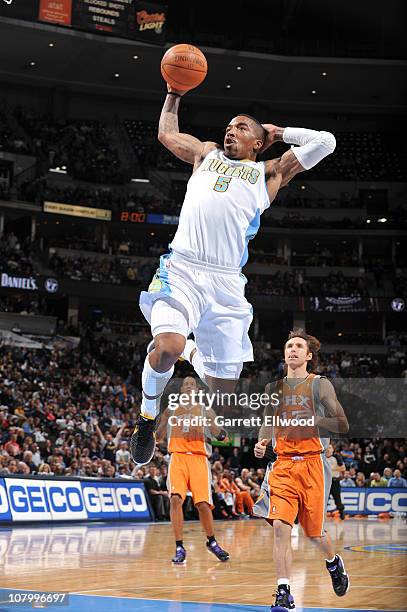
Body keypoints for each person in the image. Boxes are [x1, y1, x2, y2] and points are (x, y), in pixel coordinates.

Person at [130, 83, 337, 466]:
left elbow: (326, 142)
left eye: (242, 127)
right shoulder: (206, 154)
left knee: (222, 397)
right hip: (183, 268)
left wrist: (282, 133)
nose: (231, 130)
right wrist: (174, 92)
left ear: (259, 142)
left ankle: (194, 352)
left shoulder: (270, 173)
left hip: (226, 283)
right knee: (167, 348)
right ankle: (145, 416)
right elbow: (166, 133)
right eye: (230, 125)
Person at [253, 328, 350, 611]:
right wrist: (261, 444)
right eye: (288, 346)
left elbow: (342, 425)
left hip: (313, 465)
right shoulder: (273, 389)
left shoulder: (320, 385)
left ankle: (333, 563)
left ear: (308, 355)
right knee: (281, 529)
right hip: (282, 465)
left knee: (314, 534)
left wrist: (316, 419)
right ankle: (283, 591)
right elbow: (267, 424)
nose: (292, 349)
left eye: (298, 346)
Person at [156, 376, 229, 563]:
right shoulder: (171, 409)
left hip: (199, 459)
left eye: (192, 385)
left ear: (197, 390)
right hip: (178, 458)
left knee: (203, 505)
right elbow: (160, 434)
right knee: (175, 499)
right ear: (181, 390)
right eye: (186, 384)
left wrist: (217, 431)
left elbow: (221, 434)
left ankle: (212, 542)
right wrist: (149, 432)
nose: (189, 387)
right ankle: (179, 546)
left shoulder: (205, 410)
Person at [325, 443, 346, 519]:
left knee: (337, 499)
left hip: (334, 481)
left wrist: (342, 476)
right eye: (327, 447)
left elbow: (343, 468)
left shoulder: (336, 458)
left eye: (330, 448)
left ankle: (341, 512)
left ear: (333, 450)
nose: (328, 449)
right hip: (325, 482)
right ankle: (322, 515)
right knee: (324, 500)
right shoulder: (322, 457)